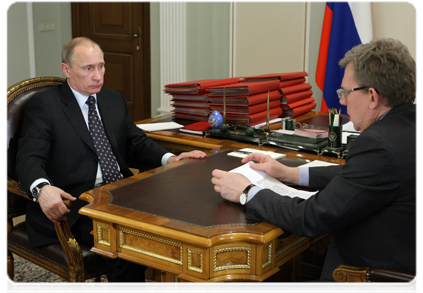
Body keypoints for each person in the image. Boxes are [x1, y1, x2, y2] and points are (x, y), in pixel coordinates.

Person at [211, 38, 419, 293]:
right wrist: (291, 173)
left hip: (372, 282)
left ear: (373, 96)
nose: (342, 102)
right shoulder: (411, 124)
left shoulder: (378, 144)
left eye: (345, 92)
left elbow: (312, 218)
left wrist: (247, 192)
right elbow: (358, 175)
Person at [16, 37, 206, 293]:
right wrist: (42, 188)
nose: (98, 76)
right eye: (88, 68)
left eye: (101, 66)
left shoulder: (112, 99)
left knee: (178, 222)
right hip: (77, 202)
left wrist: (169, 159)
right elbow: (28, 158)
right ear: (66, 69)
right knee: (125, 247)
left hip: (122, 192)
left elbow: (135, 143)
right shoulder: (46, 106)